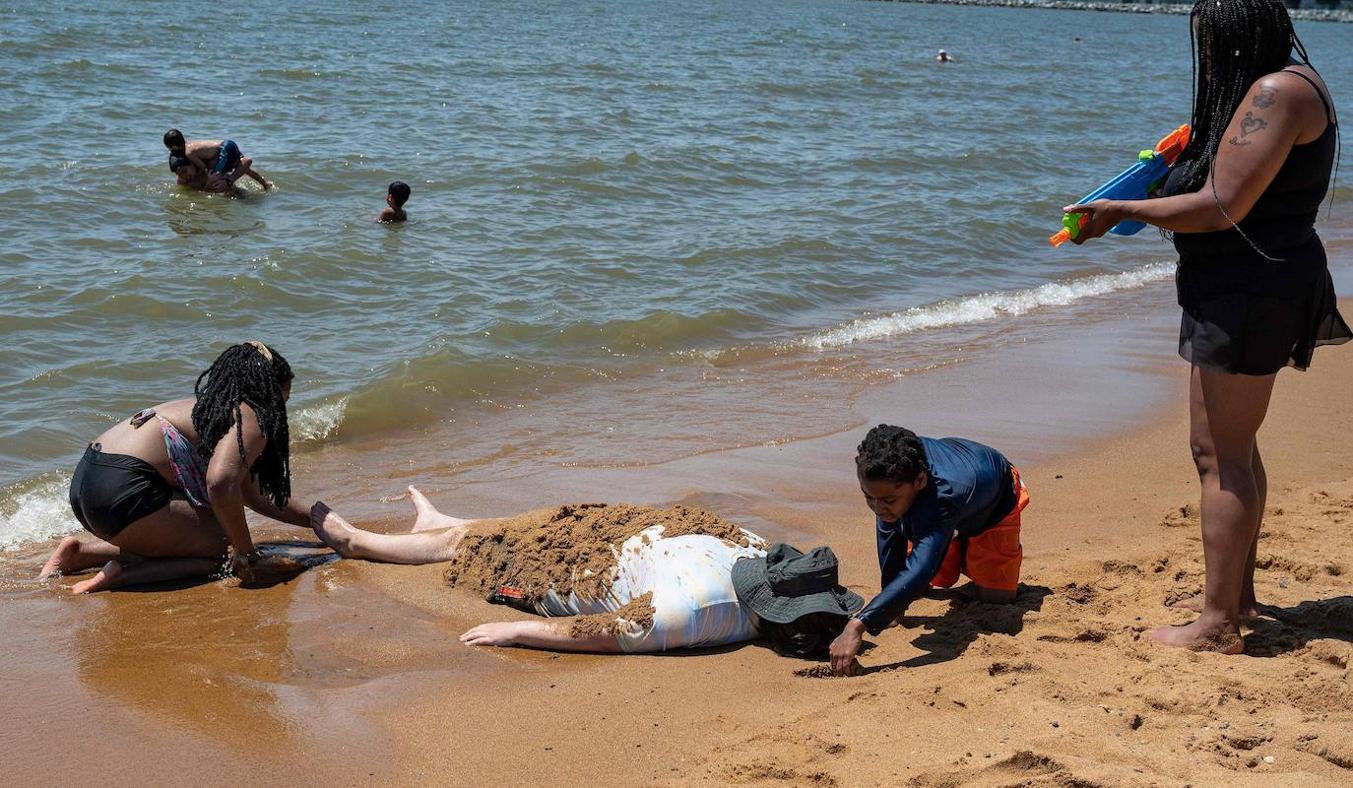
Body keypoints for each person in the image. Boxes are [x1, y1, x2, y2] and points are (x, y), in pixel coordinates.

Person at [1064, 0, 1349, 654]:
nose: (1209, 59)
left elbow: (1221, 205)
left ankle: (1216, 624)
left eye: (1210, 44)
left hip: (1251, 286)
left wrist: (1119, 211)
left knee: (1222, 457)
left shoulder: (1276, 91)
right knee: (1223, 449)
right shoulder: (1280, 83)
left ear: (1236, 35)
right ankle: (1235, 597)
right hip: (1243, 281)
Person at [311, 494, 863, 657]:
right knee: (520, 526)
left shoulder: (739, 573)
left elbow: (604, 629)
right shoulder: (733, 584)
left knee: (485, 548)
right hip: (617, 542)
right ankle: (439, 526)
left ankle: (361, 543)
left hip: (608, 554)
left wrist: (516, 628)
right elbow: (615, 629)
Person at [40, 342, 316, 593]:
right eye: (283, 400)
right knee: (222, 549)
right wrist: (247, 554)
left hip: (88, 484)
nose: (281, 410)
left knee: (194, 536)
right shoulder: (252, 413)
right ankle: (122, 575)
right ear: (266, 393)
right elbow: (221, 485)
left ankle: (81, 553)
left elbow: (254, 494)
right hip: (123, 490)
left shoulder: (203, 409)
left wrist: (316, 522)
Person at [828, 424, 1030, 675]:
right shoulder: (891, 472)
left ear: (920, 480)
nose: (877, 508)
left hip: (995, 502)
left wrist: (857, 625)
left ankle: (961, 545)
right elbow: (890, 540)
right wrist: (892, 608)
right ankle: (953, 543)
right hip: (940, 510)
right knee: (933, 580)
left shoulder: (942, 493)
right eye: (869, 497)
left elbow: (922, 568)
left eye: (887, 500)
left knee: (996, 600)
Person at [163, 128, 272, 192]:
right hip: (227, 145)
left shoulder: (193, 155)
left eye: (184, 171)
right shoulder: (184, 179)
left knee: (219, 179)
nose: (183, 176)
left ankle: (232, 186)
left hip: (224, 151)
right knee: (234, 173)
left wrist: (225, 180)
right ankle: (264, 184)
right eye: (179, 174)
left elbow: (247, 162)